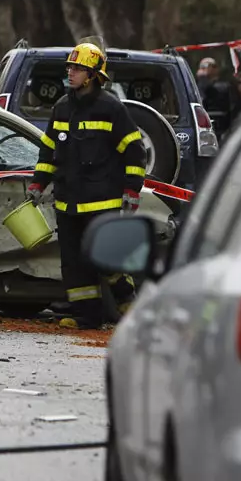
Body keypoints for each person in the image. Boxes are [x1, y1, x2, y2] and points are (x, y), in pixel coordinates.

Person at [26, 43, 146, 330]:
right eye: (69, 67)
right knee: (74, 263)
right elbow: (48, 151)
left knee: (105, 259)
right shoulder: (62, 108)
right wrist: (38, 183)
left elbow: (134, 150)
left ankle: (129, 305)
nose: (70, 72)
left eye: (77, 68)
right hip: (67, 201)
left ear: (93, 75)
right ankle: (86, 317)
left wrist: (132, 189)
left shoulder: (111, 108)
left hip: (101, 202)